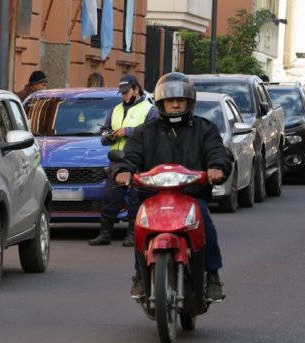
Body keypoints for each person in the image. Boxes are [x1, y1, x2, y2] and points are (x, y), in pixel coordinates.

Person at [114, 72, 232, 302]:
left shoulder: (205, 129)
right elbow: (129, 157)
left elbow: (218, 152)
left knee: (205, 223)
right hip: (153, 197)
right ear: (161, 102)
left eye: (181, 99)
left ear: (190, 102)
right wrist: (123, 170)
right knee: (140, 227)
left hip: (191, 196)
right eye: (170, 100)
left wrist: (217, 167)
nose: (176, 103)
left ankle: (214, 276)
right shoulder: (144, 132)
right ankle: (139, 274)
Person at [88, 74, 158, 247]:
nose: (124, 95)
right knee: (110, 198)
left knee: (136, 200)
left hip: (138, 163)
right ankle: (105, 234)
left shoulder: (150, 110)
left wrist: (127, 131)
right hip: (117, 162)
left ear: (136, 89)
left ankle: (132, 235)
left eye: (127, 92)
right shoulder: (115, 110)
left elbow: (152, 134)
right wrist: (109, 136)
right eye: (122, 93)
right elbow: (104, 135)